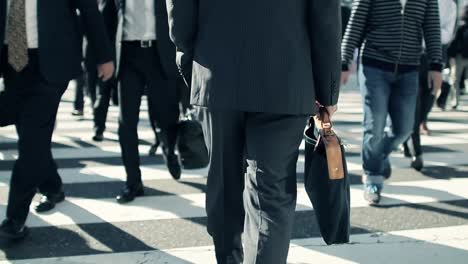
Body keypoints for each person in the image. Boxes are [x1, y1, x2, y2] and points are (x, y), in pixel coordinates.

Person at [166, 0, 341, 263]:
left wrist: (190, 57)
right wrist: (327, 87)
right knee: (271, 194)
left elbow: (181, 10)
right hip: (286, 72)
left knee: (225, 181)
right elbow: (325, 13)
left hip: (217, 66)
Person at [0, 0, 114, 240]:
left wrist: (104, 56)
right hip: (12, 62)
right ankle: (53, 186)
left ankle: (15, 220)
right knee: (33, 138)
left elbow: (89, 9)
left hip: (51, 64)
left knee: (32, 143)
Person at [341, 0, 443, 205]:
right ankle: (372, 178)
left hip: (409, 69)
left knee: (405, 129)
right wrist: (344, 60)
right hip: (374, 66)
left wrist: (436, 65)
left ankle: (378, 155)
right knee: (374, 125)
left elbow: (432, 26)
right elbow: (356, 22)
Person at [113, 0, 182, 204]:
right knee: (126, 123)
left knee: (168, 116)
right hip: (128, 55)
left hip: (160, 54)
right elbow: (107, 15)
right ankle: (133, 182)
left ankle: (169, 150)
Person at [403, 0, 457, 171]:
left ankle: (407, 136)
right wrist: (432, 32)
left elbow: (448, 34)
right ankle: (416, 152)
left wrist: (429, 32)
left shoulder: (450, 5)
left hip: (435, 58)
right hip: (412, 55)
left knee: (428, 101)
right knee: (415, 104)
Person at [85, 0, 118, 142]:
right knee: (101, 93)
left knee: (102, 93)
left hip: (109, 54)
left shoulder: (107, 3)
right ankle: (98, 127)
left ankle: (99, 127)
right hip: (102, 54)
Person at [447, 5, 468, 110]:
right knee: (455, 79)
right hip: (460, 56)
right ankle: (455, 101)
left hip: (460, 56)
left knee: (456, 79)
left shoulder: (461, 26)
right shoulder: (461, 27)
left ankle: (455, 101)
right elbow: (454, 42)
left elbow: (453, 42)